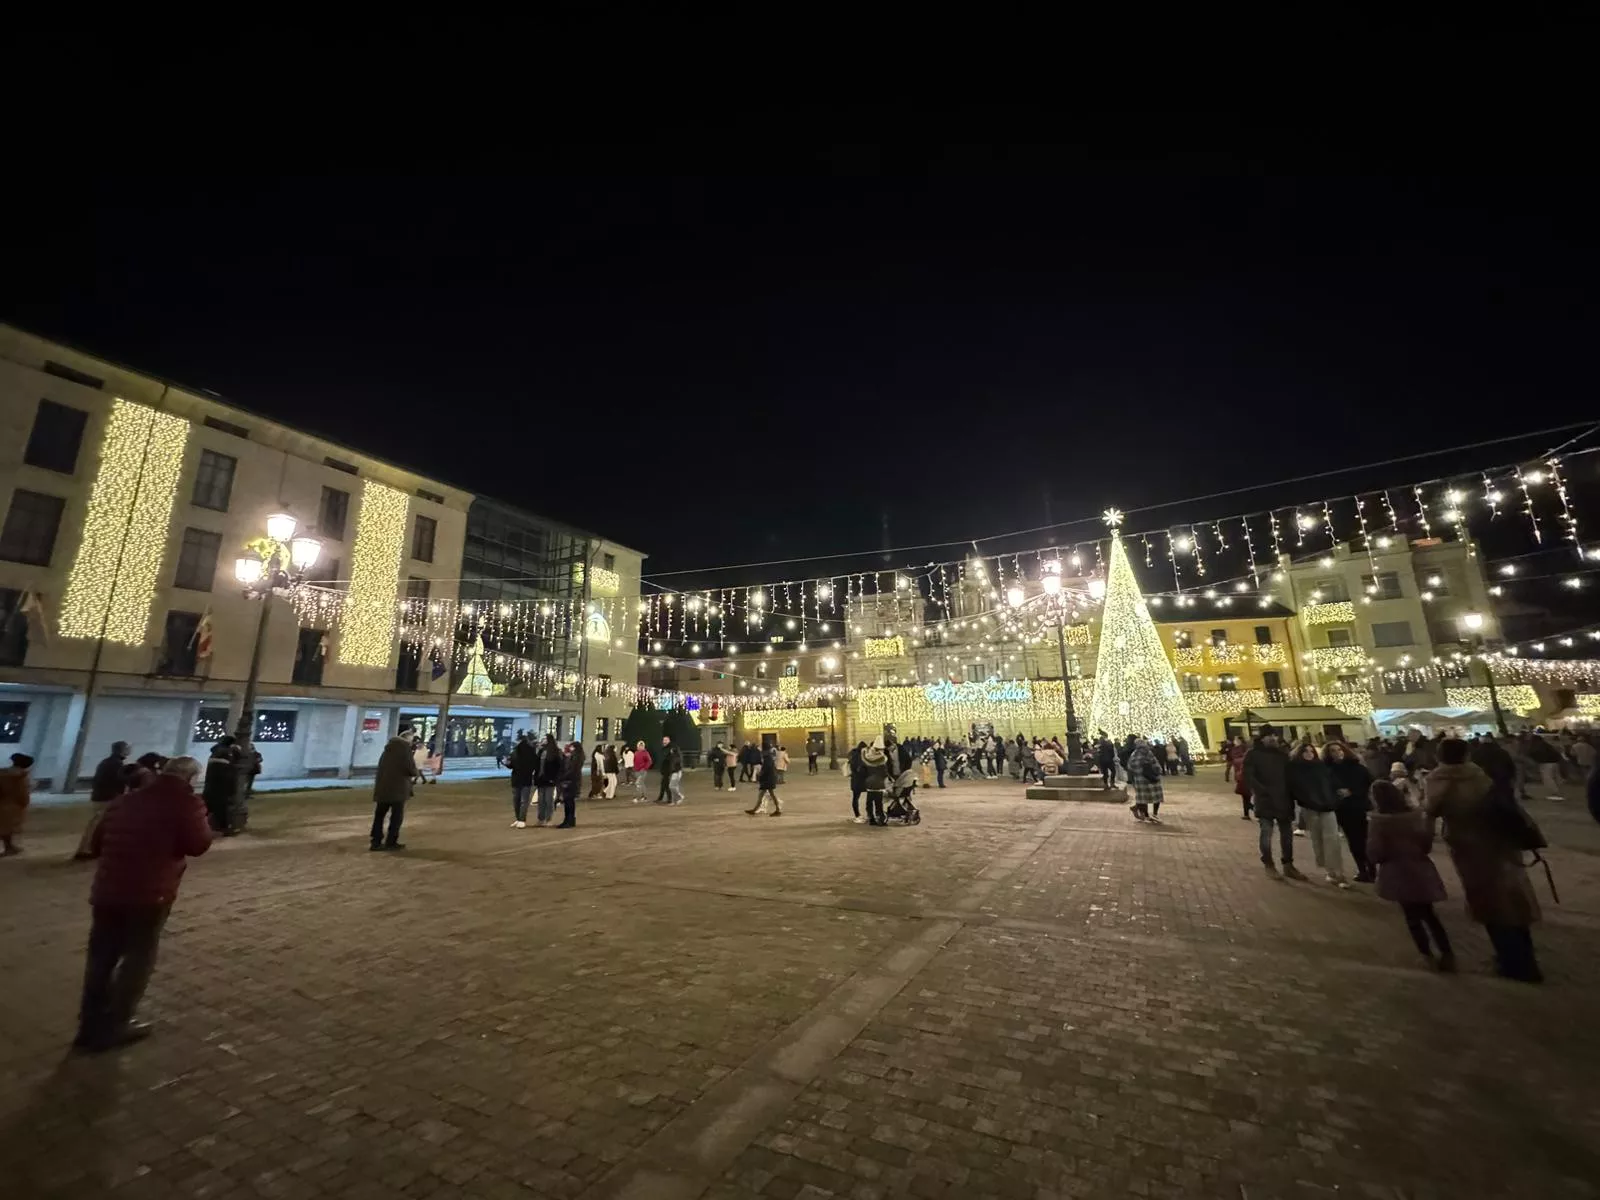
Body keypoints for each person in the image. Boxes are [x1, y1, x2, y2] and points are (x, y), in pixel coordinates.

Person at [76, 755, 211, 1051]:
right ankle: (118, 1023)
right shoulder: (187, 803)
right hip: (151, 892)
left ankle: (89, 1024)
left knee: (101, 958)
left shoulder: (124, 801)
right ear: (191, 778)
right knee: (138, 958)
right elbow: (198, 844)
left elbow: (97, 843)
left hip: (108, 890)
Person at [1430, 738, 1542, 982]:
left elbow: (1429, 810)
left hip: (1472, 848)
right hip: (1502, 844)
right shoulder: (1480, 774)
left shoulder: (1441, 779)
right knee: (1514, 900)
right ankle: (1526, 958)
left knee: (1491, 904)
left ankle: (1512, 964)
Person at [1366, 778, 1454, 971]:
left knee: (1412, 917)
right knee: (1430, 915)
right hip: (1420, 868)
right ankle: (1447, 954)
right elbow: (1426, 843)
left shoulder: (1379, 822)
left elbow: (1375, 852)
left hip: (1398, 872)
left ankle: (1426, 955)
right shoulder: (1414, 817)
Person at [1288, 739, 1349, 887]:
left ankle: (1339, 873)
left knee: (1332, 838)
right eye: (1305, 751)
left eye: (1311, 751)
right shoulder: (1295, 769)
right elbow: (1295, 790)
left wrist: (1335, 797)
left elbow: (1333, 783)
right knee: (1318, 839)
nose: (1309, 754)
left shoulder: (1321, 767)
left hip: (1327, 806)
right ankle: (1329, 870)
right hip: (1310, 808)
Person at [1245, 730, 1305, 880]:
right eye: (1269, 736)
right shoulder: (1253, 754)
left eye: (1274, 735)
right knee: (1266, 833)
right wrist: (1262, 791)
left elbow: (1291, 776)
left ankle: (1288, 865)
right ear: (1262, 738)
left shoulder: (1282, 755)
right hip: (1265, 800)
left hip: (1284, 799)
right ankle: (1269, 864)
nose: (1272, 738)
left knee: (1287, 834)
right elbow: (1248, 776)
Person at [1324, 741, 1375, 883]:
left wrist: (1352, 791)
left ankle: (1372, 869)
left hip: (1360, 806)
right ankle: (1362, 869)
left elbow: (1368, 783)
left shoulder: (1357, 767)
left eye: (1339, 749)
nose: (1337, 753)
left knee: (1366, 839)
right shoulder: (1328, 770)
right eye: (1332, 751)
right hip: (1343, 809)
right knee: (1353, 841)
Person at [75, 741, 132, 859]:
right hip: (106, 798)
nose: (129, 751)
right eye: (127, 748)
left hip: (101, 796)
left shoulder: (107, 762)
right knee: (97, 824)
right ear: (121, 750)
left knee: (99, 824)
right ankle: (86, 849)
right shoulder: (116, 764)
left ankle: (92, 848)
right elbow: (120, 782)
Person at [370, 727, 421, 850]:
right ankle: (391, 841)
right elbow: (410, 768)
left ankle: (375, 841)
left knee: (379, 815)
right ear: (408, 740)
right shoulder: (404, 750)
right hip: (398, 788)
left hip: (383, 788)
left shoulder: (387, 749)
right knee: (396, 817)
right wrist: (416, 773)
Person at [0, 752, 33, 856]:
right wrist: (24, 802)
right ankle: (8, 848)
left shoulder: (3, 773)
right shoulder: (21, 777)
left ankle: (9, 847)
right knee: (7, 828)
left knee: (4, 828)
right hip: (13, 805)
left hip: (2, 802)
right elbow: (22, 793)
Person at [1126, 737, 1163, 822]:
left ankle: (1145, 815)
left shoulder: (1134, 754)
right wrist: (1158, 771)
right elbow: (1155, 763)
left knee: (1143, 798)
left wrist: (1137, 774)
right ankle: (1155, 814)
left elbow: (1130, 766)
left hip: (1140, 780)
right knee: (1156, 797)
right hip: (1151, 778)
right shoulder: (1148, 752)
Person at [508, 733, 538, 828]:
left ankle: (520, 819)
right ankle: (520, 819)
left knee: (519, 800)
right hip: (524, 779)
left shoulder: (519, 752)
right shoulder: (519, 752)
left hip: (519, 779)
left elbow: (512, 764)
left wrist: (509, 764)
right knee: (521, 801)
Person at [859, 737, 891, 826]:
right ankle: (880, 818)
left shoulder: (867, 756)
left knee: (869, 801)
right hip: (879, 783)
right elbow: (885, 773)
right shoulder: (882, 758)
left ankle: (871, 818)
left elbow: (863, 769)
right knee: (878, 803)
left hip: (869, 782)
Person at [535, 733, 563, 824]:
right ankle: (541, 818)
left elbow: (559, 766)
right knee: (541, 800)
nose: (543, 740)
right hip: (540, 778)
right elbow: (537, 764)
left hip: (550, 779)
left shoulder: (555, 751)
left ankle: (548, 818)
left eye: (545, 739)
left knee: (548, 799)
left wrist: (555, 778)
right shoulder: (541, 751)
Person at [747, 744, 783, 816]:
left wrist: (760, 774)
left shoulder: (767, 758)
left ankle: (778, 810)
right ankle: (755, 809)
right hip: (768, 779)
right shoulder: (768, 757)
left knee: (771, 795)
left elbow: (766, 769)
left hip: (768, 779)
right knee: (763, 795)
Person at [557, 741, 582, 828]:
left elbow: (571, 770)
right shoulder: (575, 756)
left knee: (568, 802)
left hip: (570, 781)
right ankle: (569, 820)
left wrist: (563, 777)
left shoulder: (575, 757)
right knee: (569, 802)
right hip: (572, 781)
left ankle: (568, 820)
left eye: (572, 747)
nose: (570, 748)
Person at [655, 735, 684, 805]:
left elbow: (676, 760)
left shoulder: (672, 750)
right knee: (667, 785)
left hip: (674, 771)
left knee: (670, 786)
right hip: (669, 770)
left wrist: (672, 768)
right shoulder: (664, 749)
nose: (664, 741)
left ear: (669, 741)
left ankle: (676, 798)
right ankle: (672, 799)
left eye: (666, 740)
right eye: (664, 740)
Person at [848, 740, 867, 822]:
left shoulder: (854, 755)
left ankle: (857, 814)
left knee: (856, 797)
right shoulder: (859, 756)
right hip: (859, 780)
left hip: (856, 780)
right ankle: (858, 815)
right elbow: (859, 769)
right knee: (857, 797)